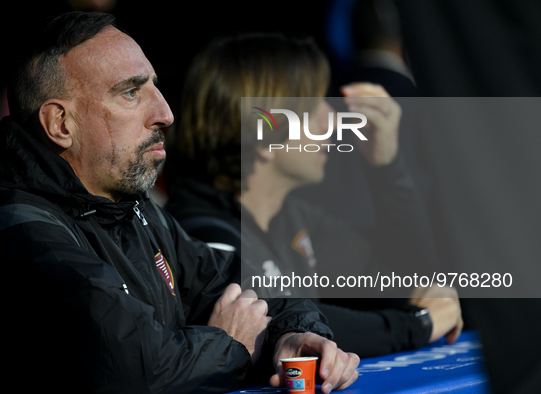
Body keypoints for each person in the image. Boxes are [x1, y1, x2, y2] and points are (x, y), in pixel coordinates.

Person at [0, 12, 359, 394]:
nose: (165, 113)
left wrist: (295, 335)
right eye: (131, 92)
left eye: (154, 87)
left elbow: (255, 280)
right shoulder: (14, 235)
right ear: (61, 124)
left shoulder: (132, 209)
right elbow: (136, 367)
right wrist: (229, 343)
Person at [164, 33, 463, 358]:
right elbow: (285, 321)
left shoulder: (294, 217)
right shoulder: (197, 231)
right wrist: (416, 324)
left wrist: (386, 167)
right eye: (314, 104)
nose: (332, 118)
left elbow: (406, 280)